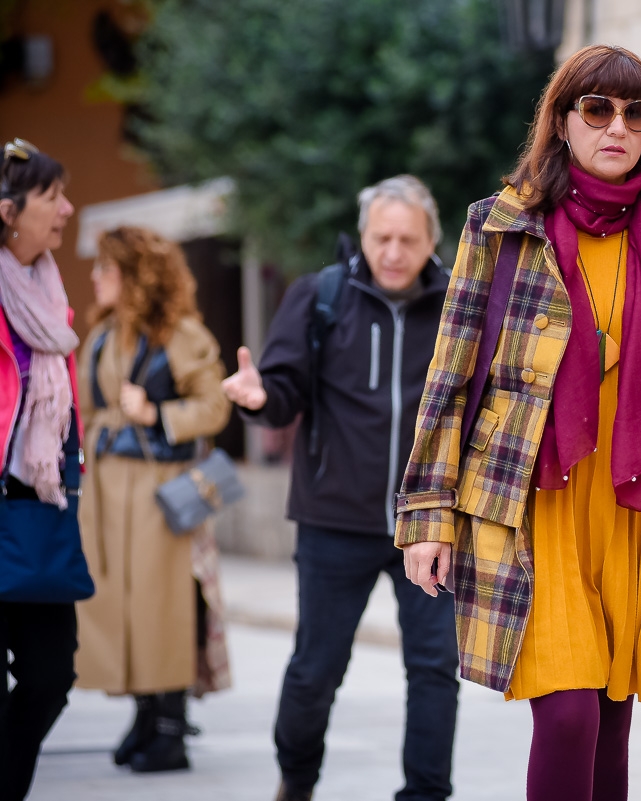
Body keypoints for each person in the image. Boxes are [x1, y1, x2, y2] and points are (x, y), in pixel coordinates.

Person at [396, 45, 641, 801]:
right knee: (570, 713)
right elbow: (450, 375)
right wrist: (426, 515)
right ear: (562, 120)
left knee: (611, 717)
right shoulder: (501, 226)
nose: (618, 127)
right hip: (533, 501)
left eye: (636, 113)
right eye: (597, 109)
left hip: (635, 502)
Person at [221, 175, 458, 801]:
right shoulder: (320, 295)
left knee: (434, 668)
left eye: (408, 240)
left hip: (429, 523)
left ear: (430, 241)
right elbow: (282, 391)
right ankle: (297, 781)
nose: (393, 252)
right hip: (333, 519)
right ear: (363, 236)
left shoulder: (460, 305)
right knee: (317, 667)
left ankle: (426, 794)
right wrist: (259, 397)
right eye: (382, 238)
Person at [74, 226, 233, 773]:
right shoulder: (101, 335)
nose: (96, 277)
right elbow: (86, 410)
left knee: (162, 607)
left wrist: (155, 413)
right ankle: (145, 716)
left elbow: (214, 406)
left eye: (107, 268)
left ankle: (169, 726)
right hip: (105, 493)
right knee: (121, 606)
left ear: (135, 275)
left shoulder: (181, 334)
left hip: (160, 494)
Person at [0, 139, 84, 801]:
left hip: (38, 513)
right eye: (52, 196)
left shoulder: (50, 298)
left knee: (52, 675)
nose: (67, 209)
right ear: (9, 212)